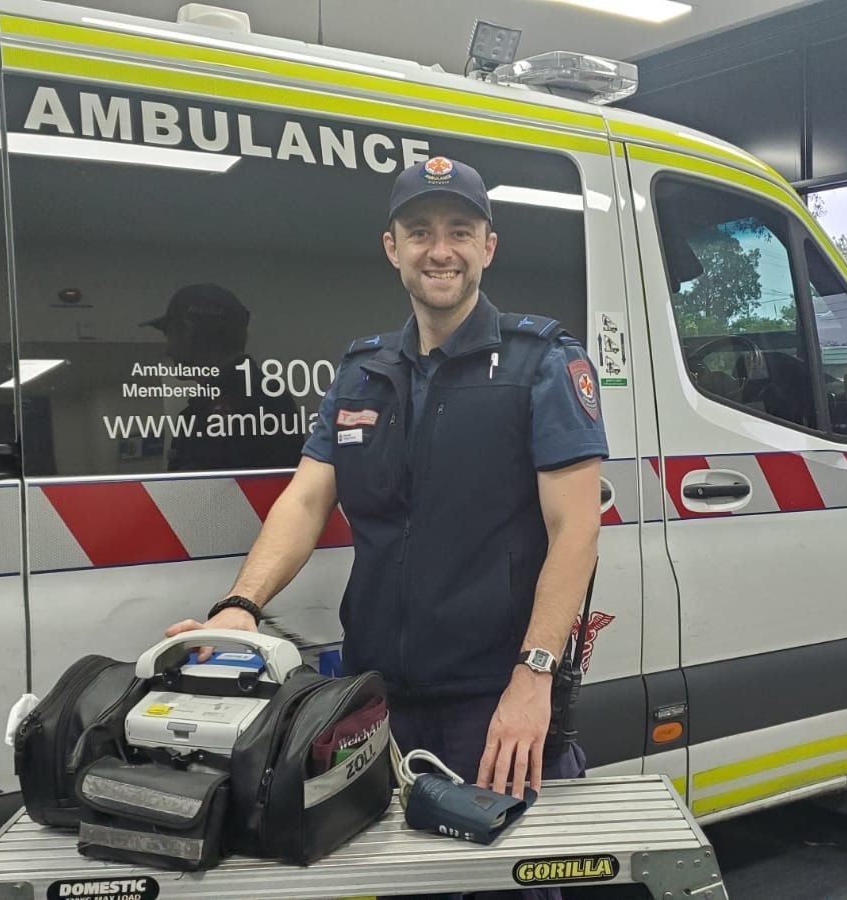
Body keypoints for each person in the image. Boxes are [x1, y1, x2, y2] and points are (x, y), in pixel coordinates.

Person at [165, 157, 607, 898]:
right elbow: (305, 503)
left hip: (492, 700)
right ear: (391, 247)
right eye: (421, 232)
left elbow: (577, 531)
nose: (441, 250)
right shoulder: (362, 374)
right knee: (396, 885)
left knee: (508, 887)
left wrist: (533, 680)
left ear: (488, 247)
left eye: (460, 232)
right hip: (374, 703)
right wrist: (239, 608)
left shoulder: (541, 366)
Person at [141, 283, 304, 471]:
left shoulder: (248, 400)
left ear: (187, 331)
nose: (167, 350)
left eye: (169, 336)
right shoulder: (262, 393)